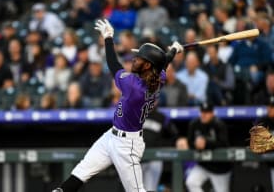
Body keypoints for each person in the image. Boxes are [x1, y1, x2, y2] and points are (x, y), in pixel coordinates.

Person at [52, 19, 183, 192]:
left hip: (127, 145)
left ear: (148, 66)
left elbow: (114, 64)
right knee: (81, 171)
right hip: (111, 137)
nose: (134, 60)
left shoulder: (133, 85)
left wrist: (108, 38)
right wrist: (173, 50)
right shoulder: (158, 78)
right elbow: (163, 63)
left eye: (139, 59)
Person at [185, 102, 232, 192]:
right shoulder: (194, 124)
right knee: (191, 182)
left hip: (220, 168)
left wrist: (206, 143)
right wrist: (196, 145)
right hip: (204, 165)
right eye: (202, 112)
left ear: (212, 113)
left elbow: (223, 143)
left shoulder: (219, 124)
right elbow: (190, 142)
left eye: (207, 112)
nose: (204, 115)